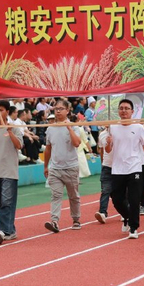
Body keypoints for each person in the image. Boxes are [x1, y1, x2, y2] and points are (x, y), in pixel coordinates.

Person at [108, 99, 144, 239]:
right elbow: (108, 149)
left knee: (134, 199)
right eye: (121, 108)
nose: (124, 111)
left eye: (127, 108)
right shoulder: (112, 127)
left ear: (132, 111)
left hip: (134, 167)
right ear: (118, 111)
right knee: (116, 198)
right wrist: (108, 144)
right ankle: (127, 217)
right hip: (117, 168)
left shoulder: (139, 128)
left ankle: (134, 228)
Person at [43, 99, 82, 233]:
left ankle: (76, 219)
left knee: (73, 195)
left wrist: (69, 128)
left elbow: (77, 143)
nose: (58, 111)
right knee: (56, 195)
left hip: (71, 167)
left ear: (67, 111)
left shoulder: (74, 127)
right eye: (56, 109)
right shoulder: (50, 129)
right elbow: (48, 149)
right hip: (55, 168)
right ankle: (54, 221)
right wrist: (46, 166)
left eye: (61, 109)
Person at [0, 100, 23, 244]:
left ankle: (1, 231)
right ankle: (11, 230)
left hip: (9, 171)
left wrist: (9, 131)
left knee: (6, 202)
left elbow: (19, 145)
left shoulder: (14, 129)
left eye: (1, 110)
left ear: (7, 112)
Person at [94, 126, 112, 224]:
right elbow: (101, 151)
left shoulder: (120, 131)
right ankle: (102, 212)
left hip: (120, 167)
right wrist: (103, 163)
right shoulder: (102, 134)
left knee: (121, 191)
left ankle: (124, 212)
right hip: (106, 166)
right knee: (105, 190)